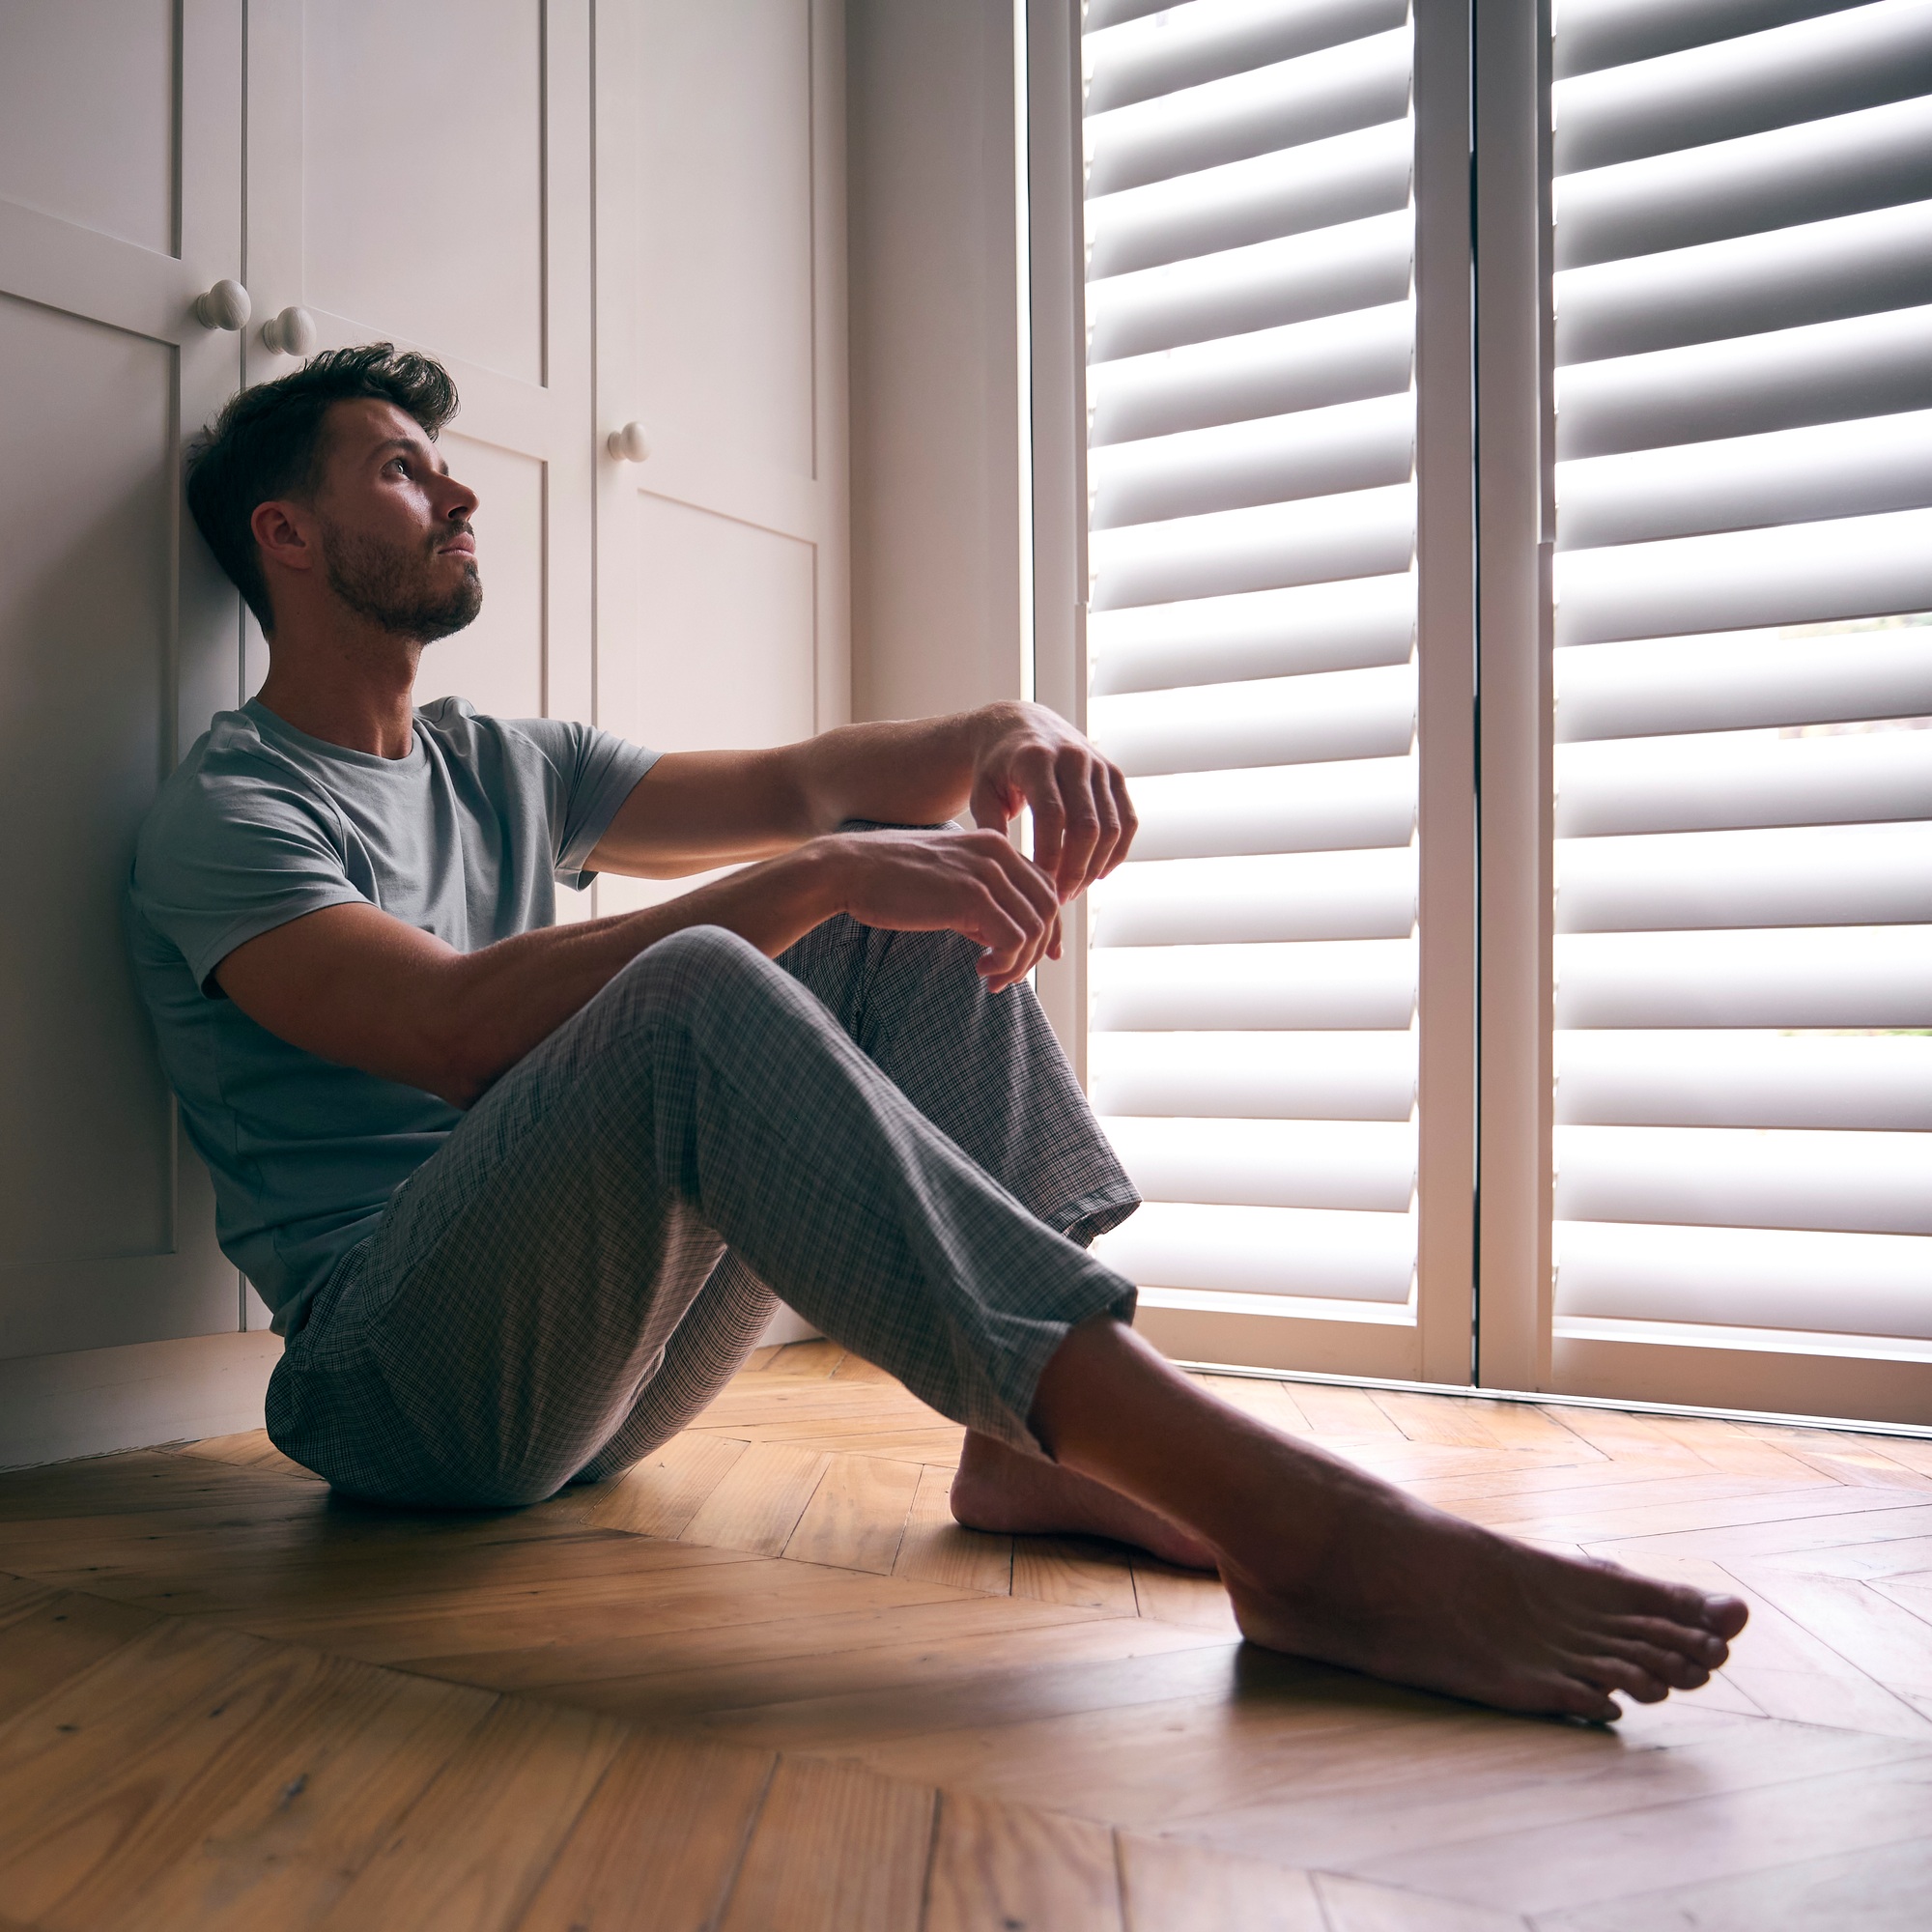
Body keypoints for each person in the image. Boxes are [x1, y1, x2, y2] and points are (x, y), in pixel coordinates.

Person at [128, 344, 1746, 1724]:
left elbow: (809, 783)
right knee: (725, 963)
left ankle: (1028, 1443)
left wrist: (1002, 729)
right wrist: (820, 871)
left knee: (857, 912)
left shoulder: (504, 762)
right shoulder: (230, 809)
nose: (465, 497)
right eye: (408, 474)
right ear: (287, 534)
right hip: (401, 1392)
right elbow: (453, 1031)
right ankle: (1306, 1531)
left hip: (598, 1384)